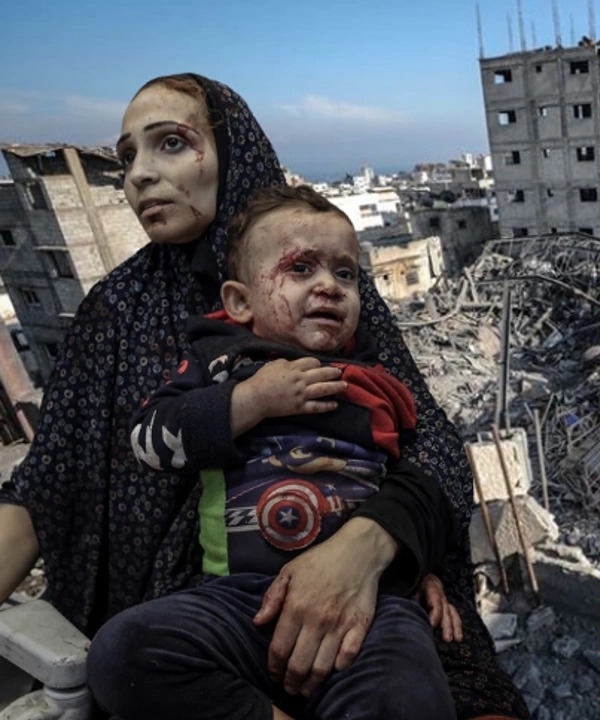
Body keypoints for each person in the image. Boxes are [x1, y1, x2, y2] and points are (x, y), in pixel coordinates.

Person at [0, 74, 526, 720]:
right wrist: (243, 404)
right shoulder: (114, 312)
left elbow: (426, 450)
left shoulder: (327, 290)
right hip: (208, 611)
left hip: (367, 596)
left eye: (171, 143)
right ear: (237, 301)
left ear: (233, 151)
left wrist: (370, 550)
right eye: (127, 156)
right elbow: (49, 482)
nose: (139, 174)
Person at [88, 186, 461, 719]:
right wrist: (251, 400)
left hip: (366, 608)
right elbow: (148, 442)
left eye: (346, 273)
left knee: (408, 692)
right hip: (241, 601)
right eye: (300, 268)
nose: (329, 285)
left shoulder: (379, 384)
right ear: (240, 302)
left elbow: (411, 483)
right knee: (123, 652)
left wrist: (418, 566)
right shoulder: (220, 364)